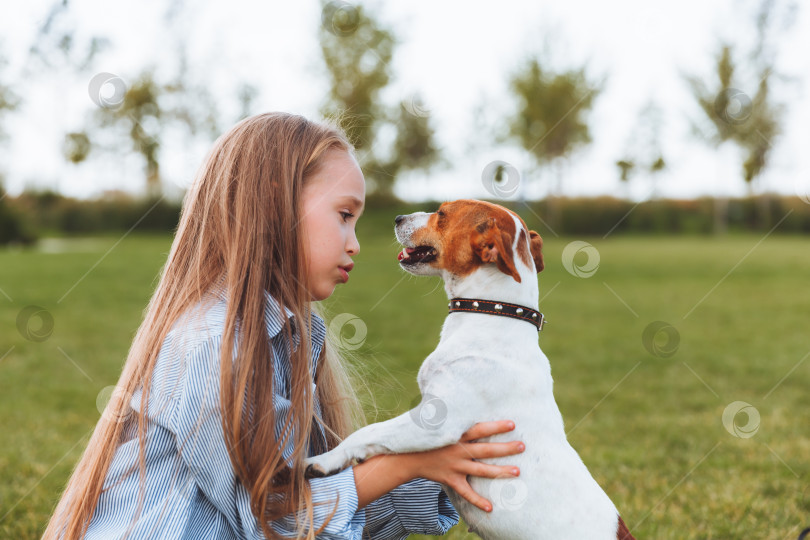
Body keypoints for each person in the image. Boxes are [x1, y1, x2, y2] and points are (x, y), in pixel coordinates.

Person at [43, 112, 525, 539]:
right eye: (344, 215)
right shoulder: (213, 348)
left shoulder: (285, 339)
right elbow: (279, 518)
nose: (355, 244)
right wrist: (411, 461)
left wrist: (451, 461)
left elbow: (328, 505)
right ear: (275, 203)